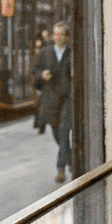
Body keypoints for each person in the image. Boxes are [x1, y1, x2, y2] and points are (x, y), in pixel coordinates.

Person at [34, 21, 73, 182]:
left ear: (67, 37)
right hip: (51, 99)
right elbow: (34, 70)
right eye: (55, 34)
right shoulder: (45, 52)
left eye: (61, 34)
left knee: (64, 132)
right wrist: (42, 74)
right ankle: (71, 159)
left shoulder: (71, 53)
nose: (58, 37)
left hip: (67, 98)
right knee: (57, 133)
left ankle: (61, 169)